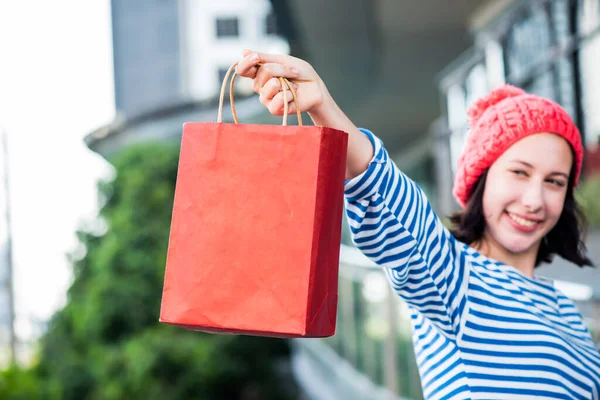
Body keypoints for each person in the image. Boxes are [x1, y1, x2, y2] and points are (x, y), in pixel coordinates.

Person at [235, 50, 600, 399]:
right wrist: (323, 107)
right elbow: (398, 209)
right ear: (480, 179)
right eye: (519, 173)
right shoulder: (457, 278)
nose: (535, 199)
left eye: (555, 181)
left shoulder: (563, 305)